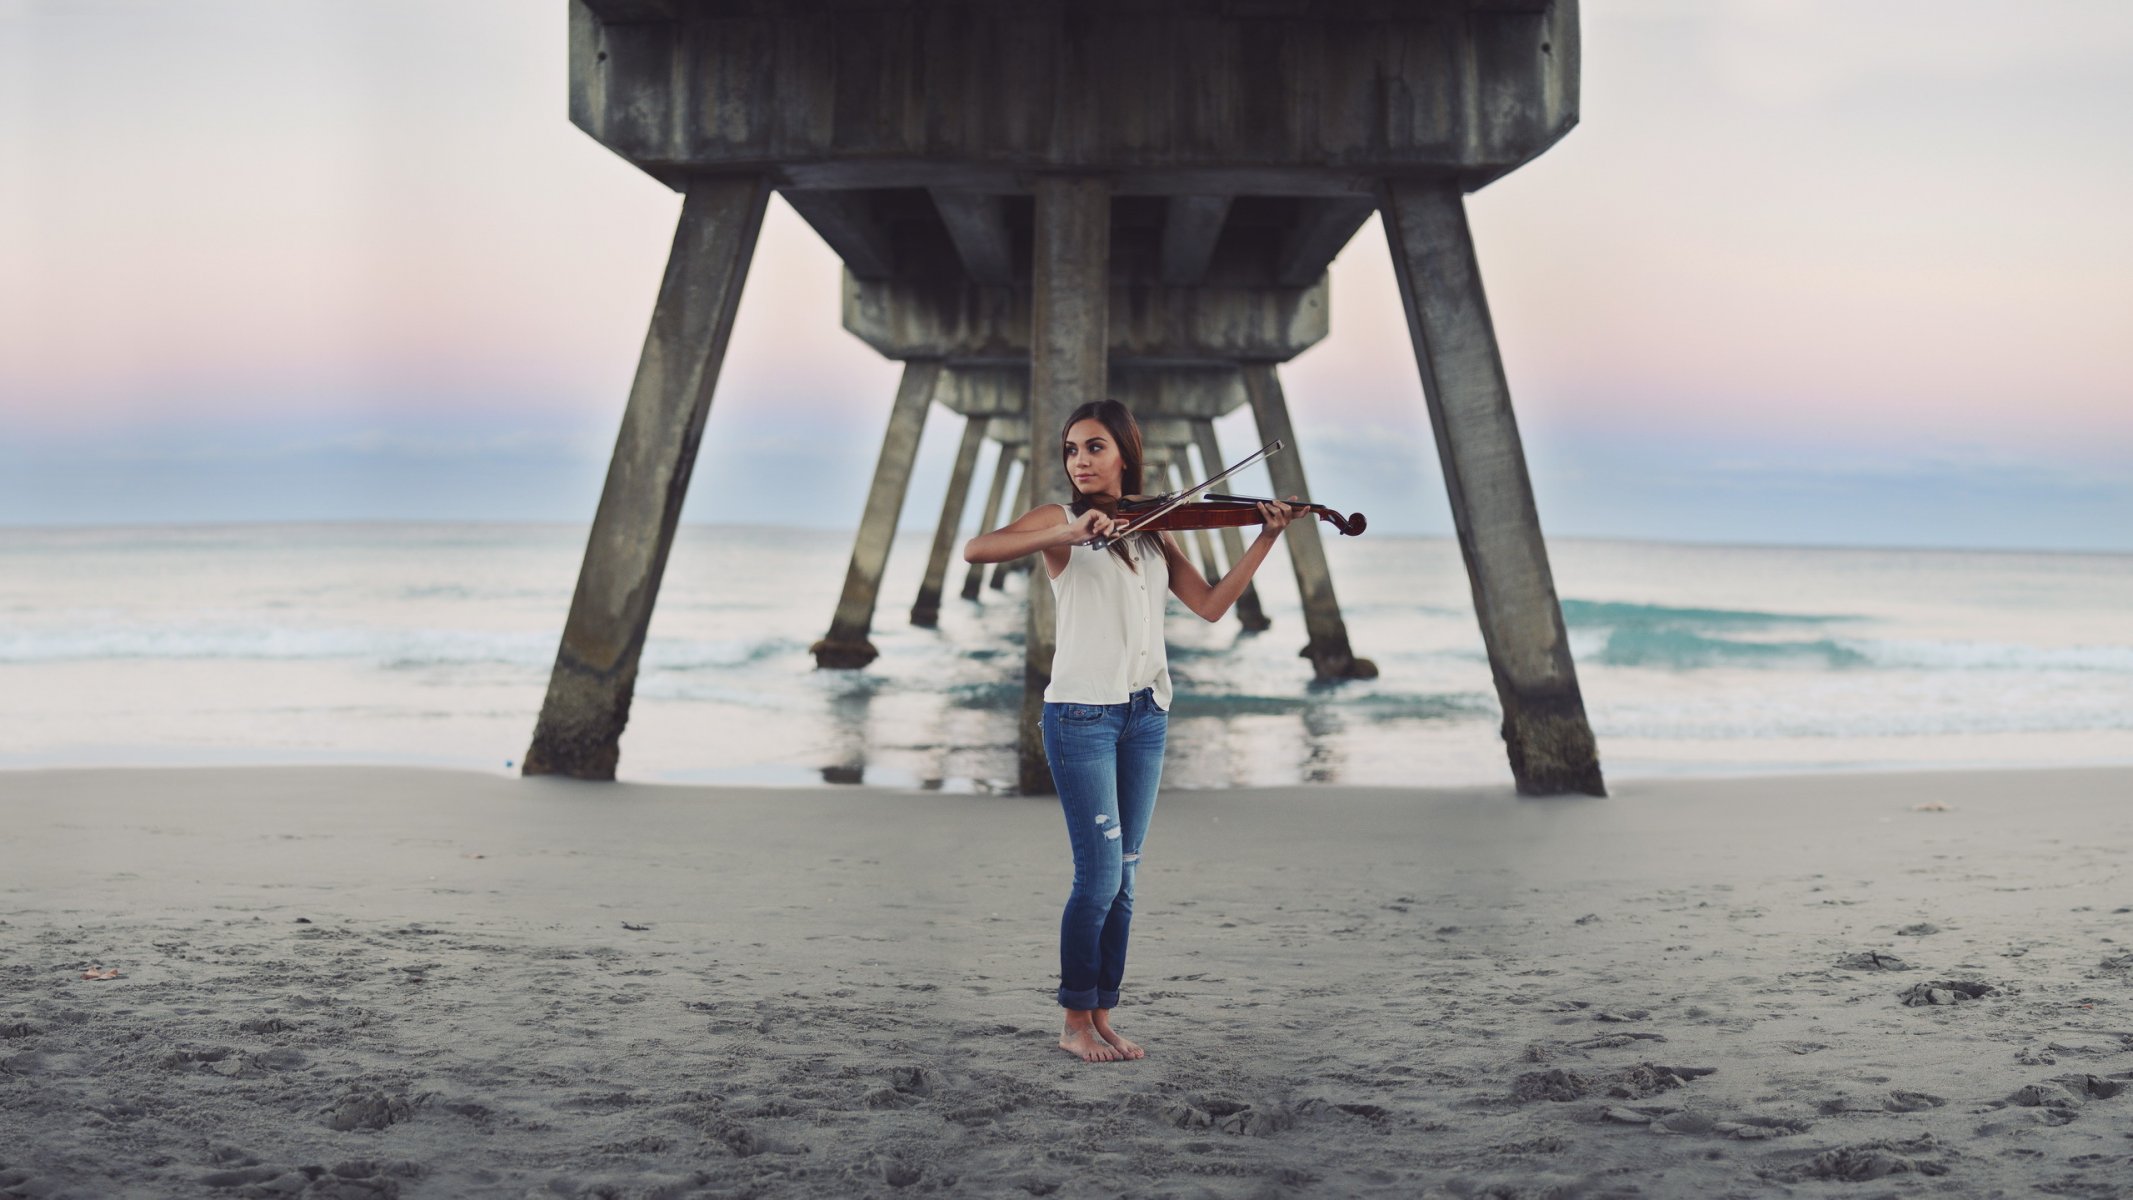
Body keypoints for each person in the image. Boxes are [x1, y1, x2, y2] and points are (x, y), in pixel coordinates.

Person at [963, 399, 1296, 1063]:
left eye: (1093, 448)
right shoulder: (1060, 521)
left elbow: (1208, 606)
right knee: (1097, 878)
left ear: (1124, 454)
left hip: (1145, 714)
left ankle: (1102, 1014)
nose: (1079, 462)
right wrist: (1064, 535)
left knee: (1128, 877)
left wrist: (1264, 538)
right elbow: (979, 548)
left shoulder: (1152, 530)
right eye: (1071, 451)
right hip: (1081, 716)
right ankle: (1072, 1021)